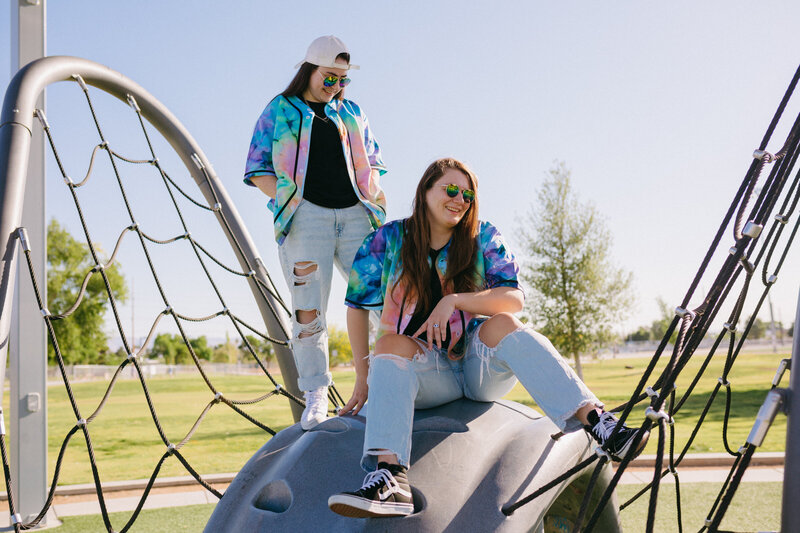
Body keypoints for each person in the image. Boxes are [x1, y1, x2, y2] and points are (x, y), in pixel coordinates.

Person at [327, 158, 649, 518]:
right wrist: (361, 376)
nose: (459, 199)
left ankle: (599, 423)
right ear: (425, 191)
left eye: (467, 194)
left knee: (504, 322)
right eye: (450, 189)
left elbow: (514, 298)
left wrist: (455, 300)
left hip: (477, 368)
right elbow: (356, 305)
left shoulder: (484, 236)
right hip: (427, 375)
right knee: (386, 344)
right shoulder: (388, 239)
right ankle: (390, 477)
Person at [244, 36, 387, 430]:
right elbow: (257, 166)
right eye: (329, 78)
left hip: (358, 217)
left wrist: (374, 195)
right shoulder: (281, 109)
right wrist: (293, 204)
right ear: (310, 70)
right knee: (309, 310)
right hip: (306, 221)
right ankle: (316, 392)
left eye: (343, 80)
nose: (336, 86)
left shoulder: (353, 113)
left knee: (380, 300)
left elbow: (374, 160)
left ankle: (383, 384)